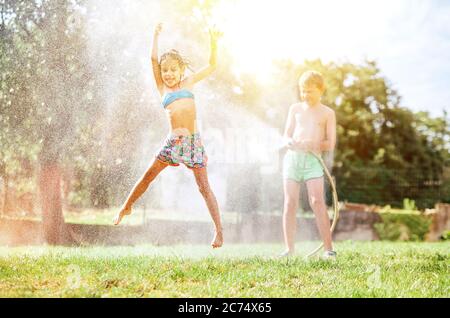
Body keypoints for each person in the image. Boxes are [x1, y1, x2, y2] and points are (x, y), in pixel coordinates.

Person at [113, 23, 223, 249]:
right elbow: (153, 60)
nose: (168, 74)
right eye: (165, 70)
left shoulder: (189, 82)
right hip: (173, 142)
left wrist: (213, 42)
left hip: (193, 143)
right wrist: (154, 36)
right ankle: (127, 206)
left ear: (181, 70)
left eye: (173, 69)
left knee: (204, 187)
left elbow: (212, 65)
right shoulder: (162, 89)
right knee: (148, 175)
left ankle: (219, 231)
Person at [281, 70, 337, 259]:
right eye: (303, 91)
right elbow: (286, 134)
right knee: (289, 203)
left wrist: (314, 144)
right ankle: (289, 250)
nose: (306, 95)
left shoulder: (328, 113)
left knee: (317, 201)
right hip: (293, 160)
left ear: (321, 90)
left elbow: (331, 143)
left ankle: (329, 250)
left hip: (313, 161)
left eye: (310, 91)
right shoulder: (295, 109)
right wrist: (290, 142)